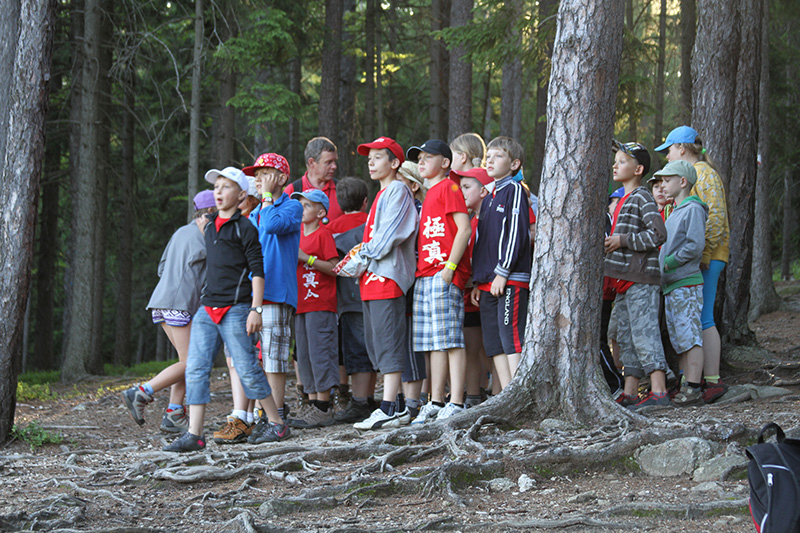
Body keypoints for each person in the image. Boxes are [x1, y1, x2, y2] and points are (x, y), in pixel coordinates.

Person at [164, 167, 290, 452]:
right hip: (207, 309)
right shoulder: (209, 226)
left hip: (236, 309)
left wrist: (256, 310)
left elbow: (258, 271)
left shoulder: (246, 228)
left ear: (242, 194)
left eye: (226, 187)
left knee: (246, 368)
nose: (219, 192)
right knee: (196, 368)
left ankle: (276, 423)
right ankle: (195, 434)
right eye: (216, 187)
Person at [122, 190, 216, 433]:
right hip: (181, 303)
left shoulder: (181, 232)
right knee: (194, 361)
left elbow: (162, 267)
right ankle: (142, 392)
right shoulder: (208, 234)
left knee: (186, 360)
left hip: (161, 301)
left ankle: (174, 414)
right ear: (210, 212)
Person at [656, 125, 730, 403]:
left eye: (669, 150)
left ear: (682, 149)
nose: (667, 156)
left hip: (706, 259)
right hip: (695, 261)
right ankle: (690, 379)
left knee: (703, 318)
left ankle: (710, 380)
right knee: (691, 321)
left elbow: (715, 219)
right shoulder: (688, 181)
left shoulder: (704, 174)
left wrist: (703, 257)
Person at [350, 136, 419, 430]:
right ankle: (397, 405)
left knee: (389, 342)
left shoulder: (398, 190)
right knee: (376, 343)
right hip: (371, 278)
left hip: (387, 278)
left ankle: (388, 407)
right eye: (369, 158)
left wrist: (360, 256)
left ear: (394, 163)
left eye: (378, 157)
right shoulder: (381, 195)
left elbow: (389, 235)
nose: (371, 162)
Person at [405, 139, 471, 424]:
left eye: (428, 157)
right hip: (425, 274)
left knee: (450, 339)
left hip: (443, 273)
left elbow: (464, 229)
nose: (421, 162)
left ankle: (456, 401)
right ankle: (435, 400)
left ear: (445, 162)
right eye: (419, 159)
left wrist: (450, 267)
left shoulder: (449, 187)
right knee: (432, 342)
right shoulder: (429, 193)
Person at [604, 141, 669, 410]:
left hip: (641, 279)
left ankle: (659, 391)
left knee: (645, 334)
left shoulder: (642, 196)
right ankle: (630, 392)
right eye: (615, 161)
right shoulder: (621, 199)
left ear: (638, 169)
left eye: (622, 161)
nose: (615, 165)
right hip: (623, 281)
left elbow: (658, 234)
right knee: (626, 337)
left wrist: (623, 240)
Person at [245, 153, 302, 426]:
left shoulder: (291, 207)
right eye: (256, 175)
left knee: (274, 358)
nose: (258, 180)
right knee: (252, 357)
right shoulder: (253, 213)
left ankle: (275, 416)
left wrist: (267, 197)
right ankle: (257, 414)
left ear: (282, 178)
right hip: (252, 295)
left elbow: (272, 225)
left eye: (265, 174)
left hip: (277, 293)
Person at [470, 136, 531, 391]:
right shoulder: (489, 196)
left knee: (510, 337)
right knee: (493, 342)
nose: (491, 160)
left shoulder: (514, 190)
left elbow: (516, 232)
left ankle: (518, 391)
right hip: (488, 282)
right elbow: (483, 241)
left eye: (499, 156)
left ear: (514, 164)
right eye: (489, 156)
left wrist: (503, 272)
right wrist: (478, 280)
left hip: (509, 279)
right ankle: (507, 393)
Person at [655, 160, 708, 406]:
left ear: (683, 182)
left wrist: (670, 262)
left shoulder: (693, 209)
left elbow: (695, 245)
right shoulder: (674, 211)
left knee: (690, 336)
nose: (663, 186)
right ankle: (686, 383)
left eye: (667, 181)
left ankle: (694, 387)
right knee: (679, 338)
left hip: (686, 283)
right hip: (672, 284)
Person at [288, 189, 340, 428]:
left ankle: (324, 406)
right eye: (299, 205)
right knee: (304, 354)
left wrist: (307, 259)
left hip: (320, 303)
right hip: (300, 304)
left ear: (321, 213)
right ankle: (310, 404)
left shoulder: (323, 235)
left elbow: (335, 268)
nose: (301, 209)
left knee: (321, 352)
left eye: (307, 205)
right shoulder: (295, 235)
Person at [328, 177, 378, 424]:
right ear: (365, 201)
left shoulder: (331, 229)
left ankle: (359, 402)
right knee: (372, 347)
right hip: (373, 293)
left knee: (356, 351)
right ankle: (368, 397)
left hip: (346, 300)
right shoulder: (372, 222)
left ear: (339, 203)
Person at [454, 166, 494, 406]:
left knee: (492, 348)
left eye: (467, 187)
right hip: (469, 294)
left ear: (483, 191)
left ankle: (498, 393)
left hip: (487, 291)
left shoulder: (490, 221)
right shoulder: (469, 221)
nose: (462, 192)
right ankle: (473, 395)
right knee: (471, 347)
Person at [284, 137, 342, 222]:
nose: (334, 166)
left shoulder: (342, 190)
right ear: (311, 162)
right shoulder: (293, 191)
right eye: (329, 162)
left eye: (334, 161)